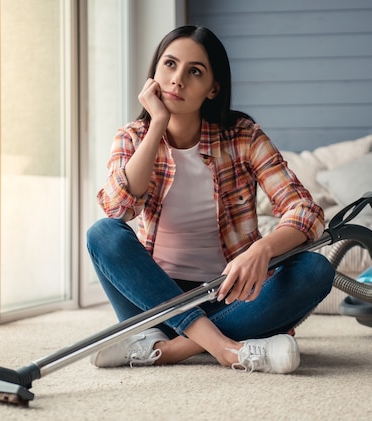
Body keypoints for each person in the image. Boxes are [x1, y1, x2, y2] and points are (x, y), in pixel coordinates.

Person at [86, 25, 334, 374]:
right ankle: (227, 348)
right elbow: (118, 208)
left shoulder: (242, 135)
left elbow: (305, 210)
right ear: (154, 73)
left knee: (316, 269)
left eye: (195, 71)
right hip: (154, 299)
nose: (177, 80)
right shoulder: (132, 136)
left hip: (228, 294)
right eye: (169, 65)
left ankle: (165, 349)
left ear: (213, 88)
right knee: (102, 233)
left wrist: (260, 250)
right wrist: (158, 123)